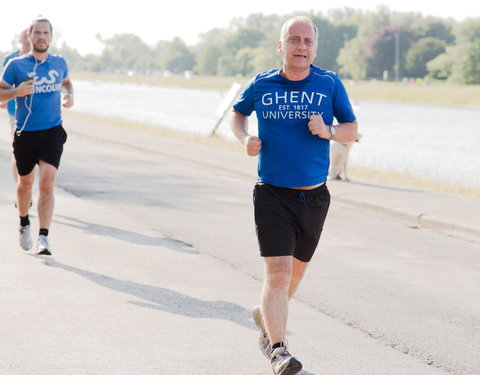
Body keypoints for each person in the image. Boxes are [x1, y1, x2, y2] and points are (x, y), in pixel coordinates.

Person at [231, 16, 358, 375]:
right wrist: (245, 140)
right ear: (281, 45)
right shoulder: (262, 83)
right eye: (294, 40)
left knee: (294, 278)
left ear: (315, 48)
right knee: (279, 273)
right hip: (271, 193)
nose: (301, 47)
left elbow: (351, 129)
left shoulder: (329, 83)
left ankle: (265, 317)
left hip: (314, 197)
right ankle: (278, 350)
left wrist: (329, 130)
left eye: (307, 41)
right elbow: (238, 115)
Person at [0, 16, 74, 255]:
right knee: (25, 184)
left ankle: (44, 237)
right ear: (29, 36)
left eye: (46, 33)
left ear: (51, 37)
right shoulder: (16, 65)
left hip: (52, 131)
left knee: (47, 182)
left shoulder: (60, 62)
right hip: (26, 132)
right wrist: (17, 91)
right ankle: (24, 223)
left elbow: (67, 82)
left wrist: (69, 94)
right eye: (38, 33)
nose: (42, 37)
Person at [1, 28, 31, 184]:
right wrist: (4, 98)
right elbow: (3, 85)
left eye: (29, 37)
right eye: (24, 37)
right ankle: (20, 189)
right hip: (15, 112)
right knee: (17, 151)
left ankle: (25, 188)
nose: (27, 40)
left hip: (36, 113)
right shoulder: (11, 60)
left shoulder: (39, 59)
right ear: (20, 40)